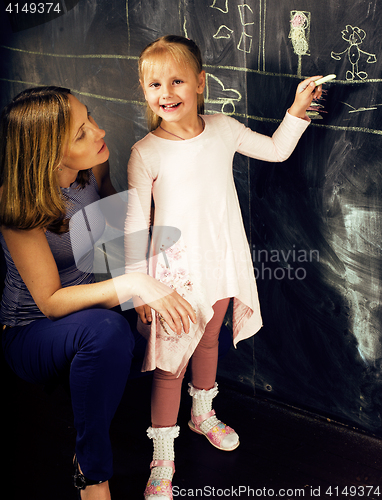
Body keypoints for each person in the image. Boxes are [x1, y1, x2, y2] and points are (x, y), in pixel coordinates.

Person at [124, 34, 323, 500]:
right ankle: (163, 456)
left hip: (218, 259)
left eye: (176, 80)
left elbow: (275, 150)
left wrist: (296, 110)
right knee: (170, 366)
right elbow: (135, 222)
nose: (165, 92)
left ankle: (202, 414)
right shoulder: (145, 152)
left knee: (210, 338)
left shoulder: (223, 128)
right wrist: (139, 289)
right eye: (154, 84)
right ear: (143, 89)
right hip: (171, 276)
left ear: (200, 82)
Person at [0, 86, 196, 500]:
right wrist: (133, 284)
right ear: (48, 153)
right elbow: (51, 302)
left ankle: (197, 413)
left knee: (168, 303)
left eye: (89, 117)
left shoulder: (92, 169)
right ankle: (92, 475)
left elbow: (121, 233)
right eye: (80, 133)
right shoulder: (17, 205)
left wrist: (149, 278)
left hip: (94, 306)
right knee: (107, 330)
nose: (99, 130)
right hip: (32, 330)